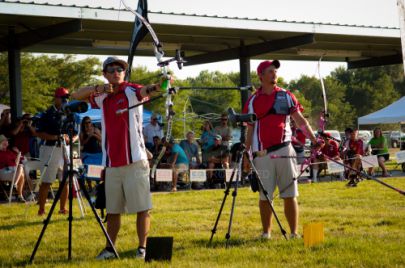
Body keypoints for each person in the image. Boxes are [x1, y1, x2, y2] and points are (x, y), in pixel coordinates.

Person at [71, 56, 165, 260]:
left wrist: (161, 84)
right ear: (105, 74)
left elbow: (148, 90)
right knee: (113, 210)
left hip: (135, 161)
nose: (116, 72)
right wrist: (100, 88)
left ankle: (142, 248)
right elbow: (76, 94)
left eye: (120, 70)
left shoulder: (131, 91)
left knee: (142, 207)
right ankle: (110, 249)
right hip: (112, 164)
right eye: (112, 70)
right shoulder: (101, 96)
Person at [243, 60, 318, 239]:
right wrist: (247, 153)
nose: (274, 74)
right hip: (262, 154)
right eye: (270, 71)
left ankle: (294, 233)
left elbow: (300, 121)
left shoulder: (286, 95)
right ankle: (266, 233)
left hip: (285, 151)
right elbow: (250, 129)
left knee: (290, 194)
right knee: (264, 196)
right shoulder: (253, 100)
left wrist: (314, 140)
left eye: (275, 71)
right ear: (261, 76)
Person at [36, 87, 74, 216]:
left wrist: (70, 138)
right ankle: (41, 209)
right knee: (47, 180)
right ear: (56, 98)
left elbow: (75, 133)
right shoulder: (47, 114)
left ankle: (63, 208)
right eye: (63, 98)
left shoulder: (69, 113)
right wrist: (55, 137)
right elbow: (39, 133)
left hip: (65, 148)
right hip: (49, 148)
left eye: (66, 98)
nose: (65, 101)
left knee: (65, 180)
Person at [0, 135, 26, 202]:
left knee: (21, 169)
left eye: (6, 141)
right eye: (3, 141)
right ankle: (19, 194)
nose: (6, 142)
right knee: (21, 173)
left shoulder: (9, 152)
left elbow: (18, 162)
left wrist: (18, 153)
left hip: (13, 171)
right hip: (4, 171)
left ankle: (15, 186)